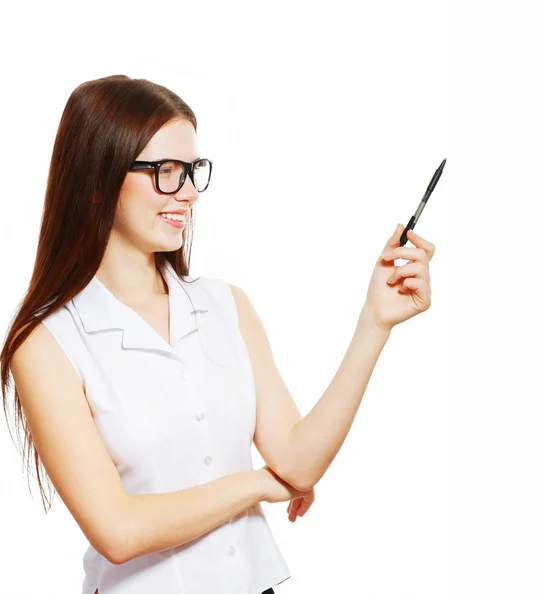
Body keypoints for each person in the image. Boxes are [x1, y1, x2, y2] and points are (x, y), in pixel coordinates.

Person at [0, 74, 434, 594]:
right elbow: (117, 530)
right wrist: (257, 485)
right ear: (97, 182)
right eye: (164, 171)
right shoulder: (47, 342)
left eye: (192, 171)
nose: (186, 193)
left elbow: (298, 459)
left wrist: (375, 321)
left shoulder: (225, 305)